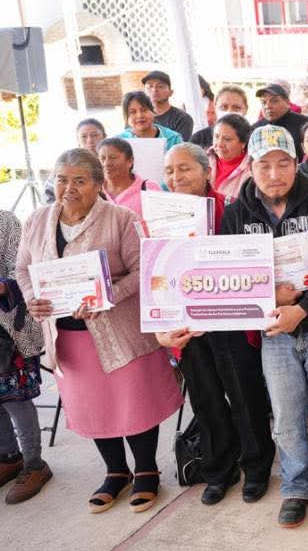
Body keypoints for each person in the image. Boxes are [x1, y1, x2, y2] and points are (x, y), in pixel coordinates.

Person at [16, 149, 184, 513]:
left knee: (134, 401)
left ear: (97, 184)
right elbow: (23, 269)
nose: (69, 188)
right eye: (62, 179)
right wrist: (31, 299)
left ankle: (147, 471)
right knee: (93, 406)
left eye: (79, 180)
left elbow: (143, 270)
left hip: (120, 330)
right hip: (68, 336)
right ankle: (115, 472)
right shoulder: (37, 220)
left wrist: (107, 296)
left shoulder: (120, 218)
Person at [221, 126, 308, 526]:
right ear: (250, 167)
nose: (274, 174)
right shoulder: (236, 212)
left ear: (297, 163)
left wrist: (303, 310)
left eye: (283, 164)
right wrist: (267, 298)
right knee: (287, 416)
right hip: (274, 332)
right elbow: (231, 276)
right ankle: (296, 485)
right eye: (264, 165)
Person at [152, 144, 274, 504]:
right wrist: (162, 324)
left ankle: (256, 466)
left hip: (230, 320)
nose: (176, 177)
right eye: (170, 171)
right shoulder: (158, 219)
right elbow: (154, 273)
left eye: (185, 168)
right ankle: (219, 469)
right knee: (205, 399)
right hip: (187, 325)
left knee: (245, 395)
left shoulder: (233, 209)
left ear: (207, 171)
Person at [0, 209, 50, 504]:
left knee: (16, 399)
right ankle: (9, 458)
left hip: (9, 329)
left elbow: (23, 273)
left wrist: (3, 286)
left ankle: (35, 464)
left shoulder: (5, 222)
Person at [98, 138, 160, 216]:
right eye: (102, 158)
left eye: (113, 157)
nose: (106, 163)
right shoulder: (95, 190)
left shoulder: (149, 188)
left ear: (130, 161)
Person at [253, 84, 308, 158]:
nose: (268, 106)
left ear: (287, 102)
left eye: (274, 101)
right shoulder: (255, 129)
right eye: (264, 102)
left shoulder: (305, 125)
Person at [209, 113, 253, 203]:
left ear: (243, 143)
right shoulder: (202, 159)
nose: (219, 144)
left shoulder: (252, 170)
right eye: (216, 136)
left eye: (227, 139)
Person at [118, 91, 183, 152]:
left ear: (153, 111)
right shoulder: (119, 142)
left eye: (144, 110)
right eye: (132, 112)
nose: (139, 116)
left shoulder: (173, 139)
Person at [141, 70, 194, 141]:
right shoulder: (138, 118)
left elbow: (179, 145)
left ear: (170, 92)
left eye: (160, 86)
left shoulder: (182, 118)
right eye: (150, 86)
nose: (154, 90)